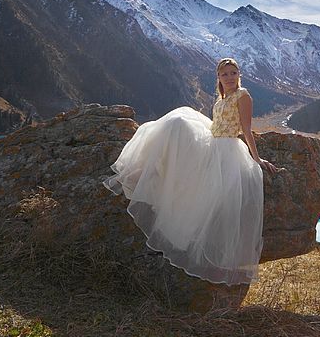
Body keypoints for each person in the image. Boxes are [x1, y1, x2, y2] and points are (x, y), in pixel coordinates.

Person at [103, 58, 279, 286]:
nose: (229, 78)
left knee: (197, 182)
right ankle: (146, 171)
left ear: (239, 74)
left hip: (227, 148)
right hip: (213, 139)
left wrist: (257, 159)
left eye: (233, 73)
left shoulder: (243, 95)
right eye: (225, 74)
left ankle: (182, 227)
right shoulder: (222, 96)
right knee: (177, 121)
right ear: (219, 77)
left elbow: (246, 129)